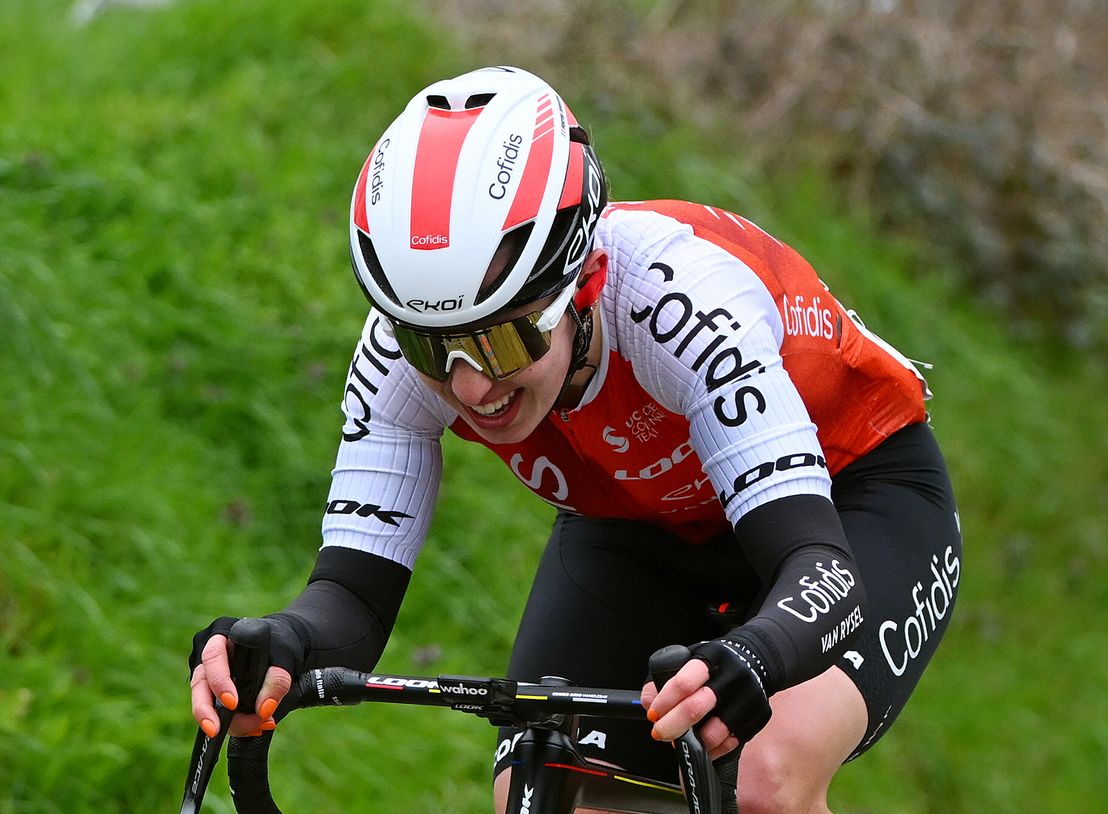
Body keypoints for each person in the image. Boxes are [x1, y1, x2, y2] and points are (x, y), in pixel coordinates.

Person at [189, 65, 962, 813]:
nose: (468, 387)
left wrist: (756, 656)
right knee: (539, 786)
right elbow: (353, 597)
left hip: (849, 493)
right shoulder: (397, 354)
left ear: (581, 288)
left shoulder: (677, 303)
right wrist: (281, 644)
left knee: (761, 782)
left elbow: (815, 568)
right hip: (638, 523)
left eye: (502, 341)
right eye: (434, 347)